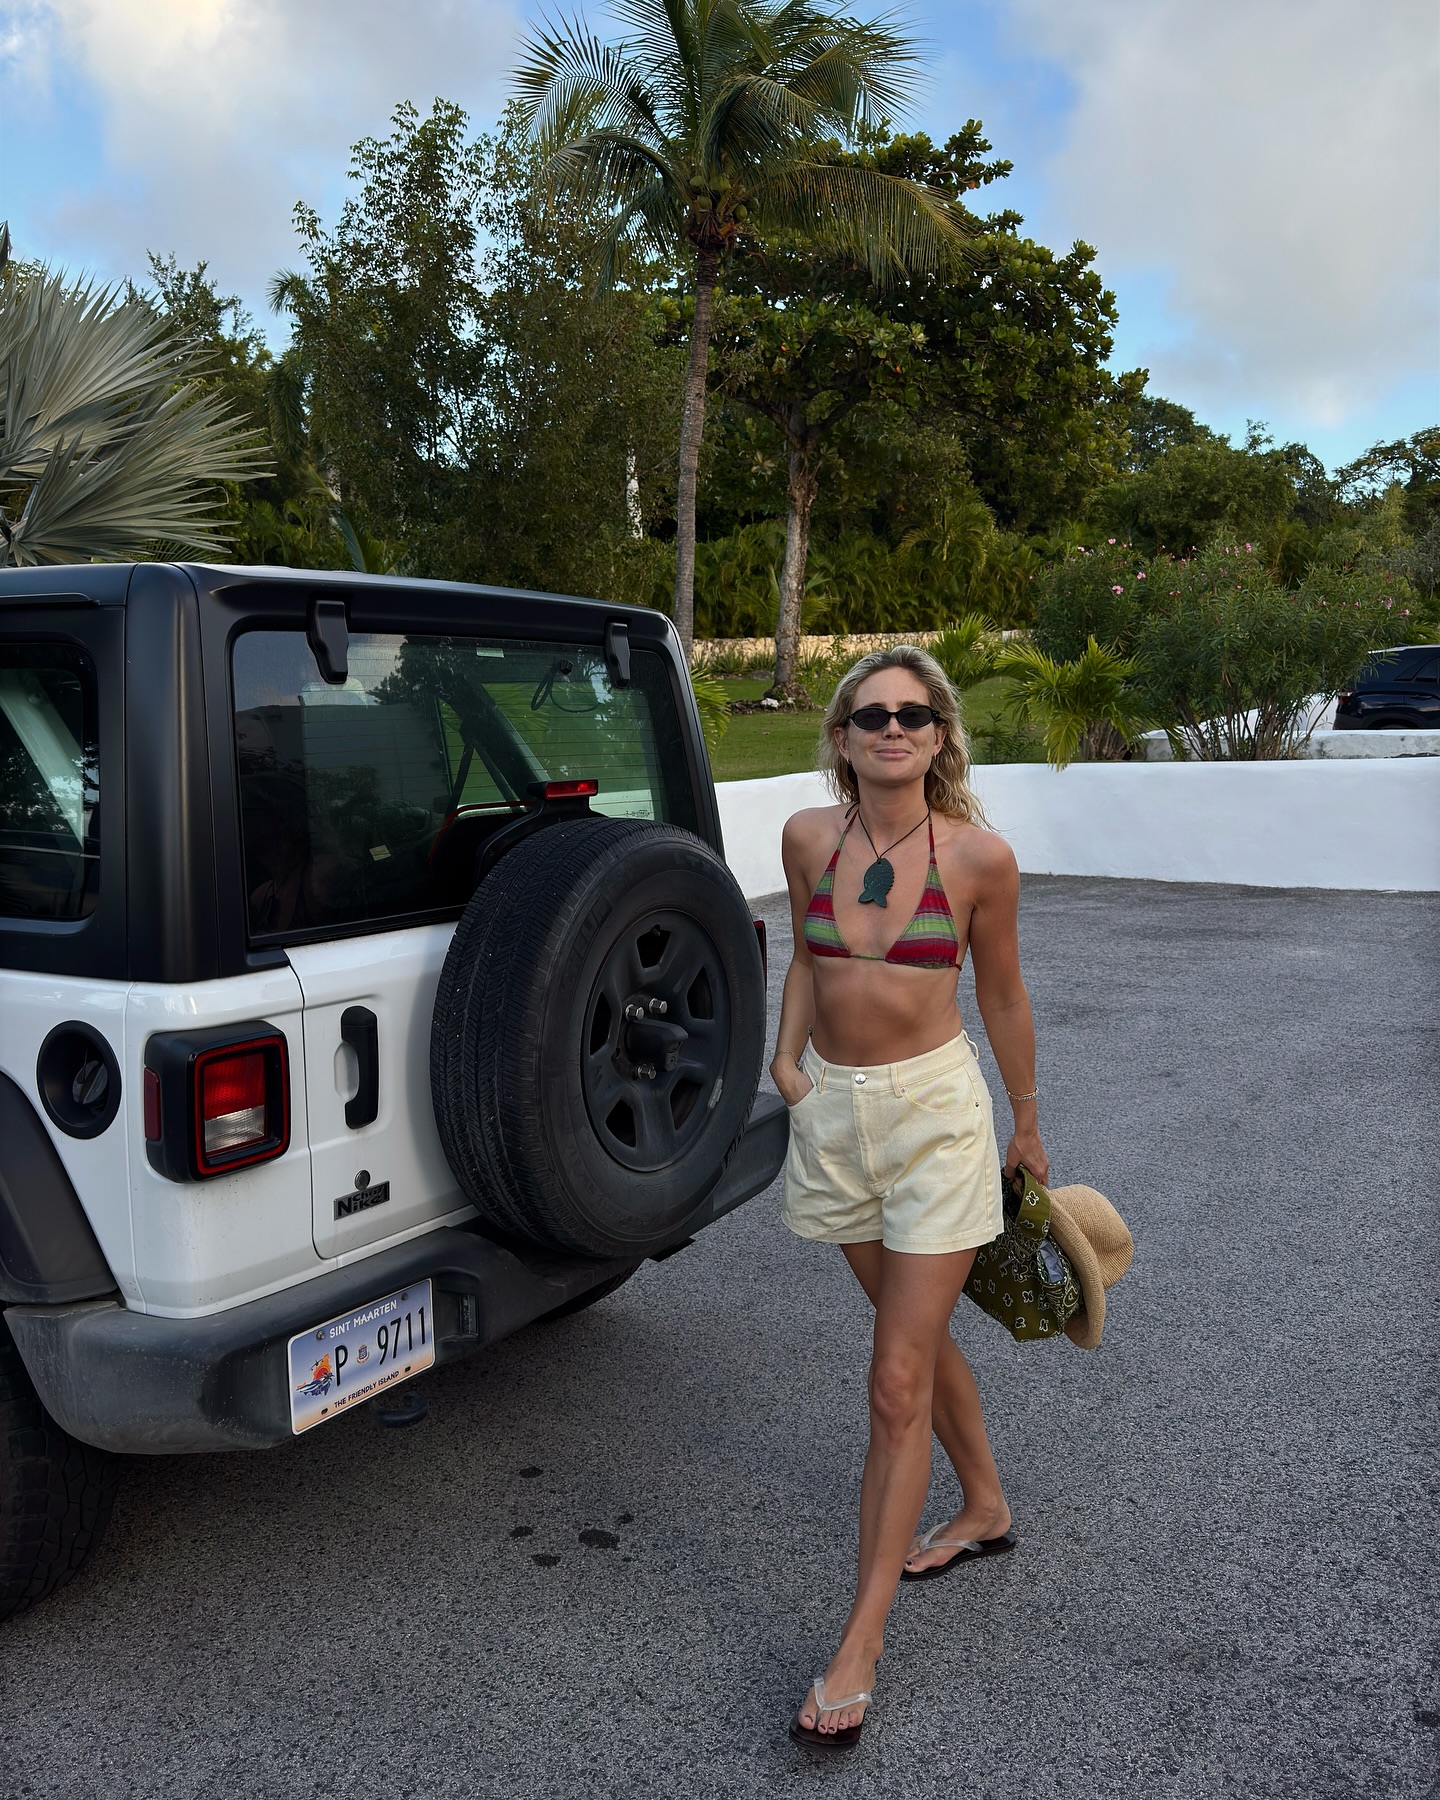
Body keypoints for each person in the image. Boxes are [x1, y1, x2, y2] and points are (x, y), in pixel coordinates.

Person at [772, 645, 1049, 1751]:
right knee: (915, 1344)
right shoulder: (806, 838)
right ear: (842, 736)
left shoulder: (979, 858)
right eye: (872, 714)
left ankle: (860, 1642)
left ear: (941, 738)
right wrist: (784, 1068)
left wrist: (1025, 1119)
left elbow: (1004, 993)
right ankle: (984, 1504)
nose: (894, 729)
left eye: (915, 715)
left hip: (936, 1117)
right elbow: (802, 955)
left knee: (893, 1380)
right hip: (834, 1116)